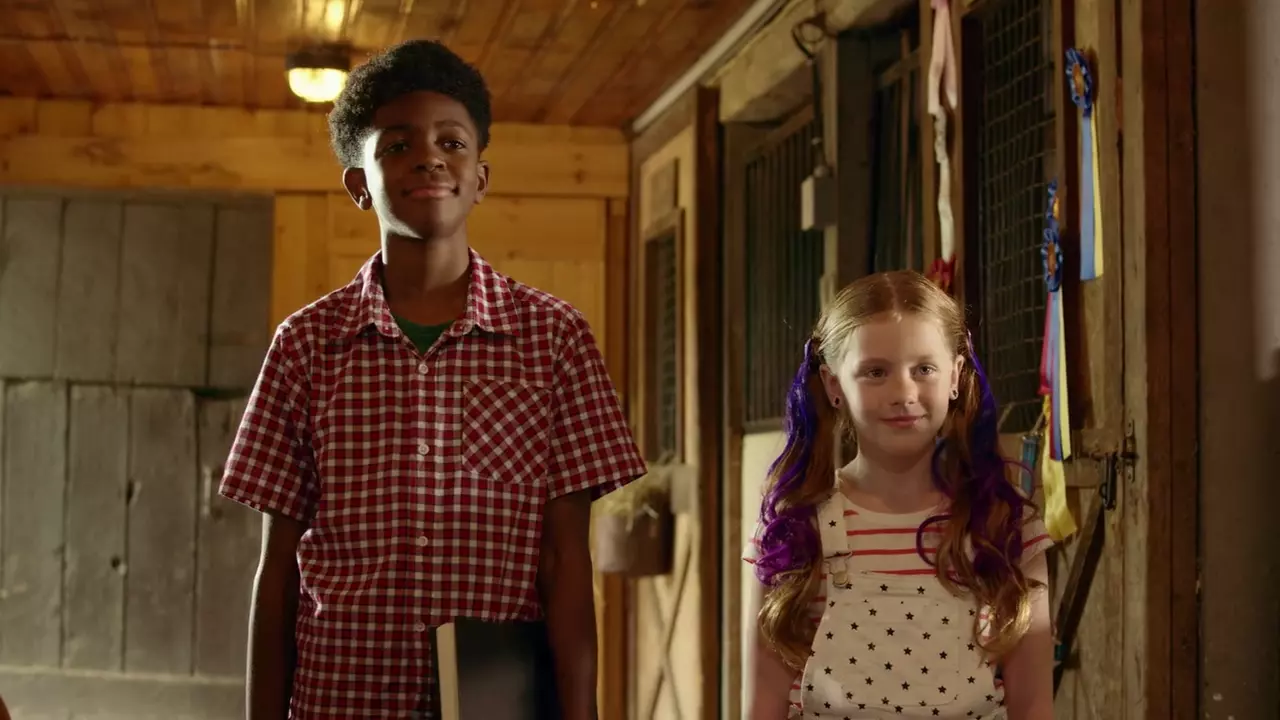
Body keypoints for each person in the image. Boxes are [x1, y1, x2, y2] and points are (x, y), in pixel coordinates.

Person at [219, 39, 645, 719]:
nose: (429, 157)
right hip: (339, 702)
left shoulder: (555, 340)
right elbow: (278, 571)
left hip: (494, 706)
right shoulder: (305, 347)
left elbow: (567, 563)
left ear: (480, 177)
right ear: (359, 184)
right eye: (397, 145)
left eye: (452, 142)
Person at [744, 271, 1054, 719]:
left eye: (923, 369)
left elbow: (1035, 706)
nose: (904, 393)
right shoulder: (793, 530)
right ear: (833, 385)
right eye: (876, 372)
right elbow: (761, 707)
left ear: (955, 375)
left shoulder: (1003, 526)